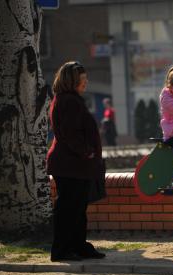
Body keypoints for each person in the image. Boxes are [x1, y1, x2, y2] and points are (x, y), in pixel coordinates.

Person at [47, 61, 106, 262]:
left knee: (77, 209)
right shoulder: (69, 102)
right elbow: (70, 134)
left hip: (74, 165)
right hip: (70, 165)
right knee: (69, 209)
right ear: (72, 81)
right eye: (82, 80)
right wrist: (87, 152)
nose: (86, 82)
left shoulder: (68, 100)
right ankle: (62, 250)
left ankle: (78, 246)